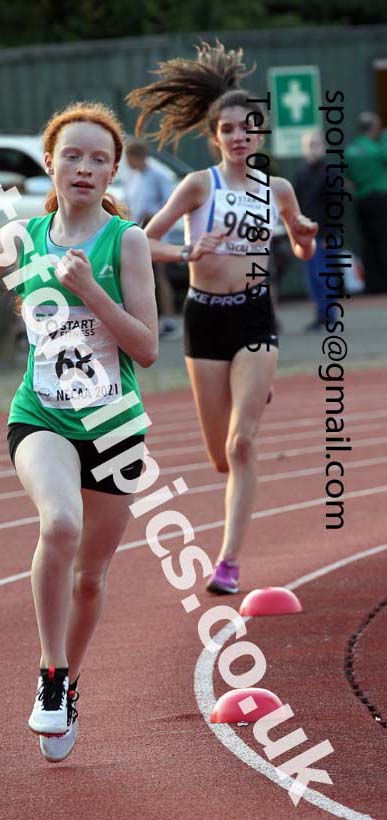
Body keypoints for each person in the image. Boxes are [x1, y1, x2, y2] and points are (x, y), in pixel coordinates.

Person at [0, 102, 158, 762]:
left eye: (98, 158)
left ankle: (69, 683)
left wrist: (91, 294)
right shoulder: (22, 237)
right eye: (72, 154)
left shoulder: (125, 241)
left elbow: (148, 348)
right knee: (61, 525)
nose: (84, 167)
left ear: (112, 172)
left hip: (114, 425)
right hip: (39, 415)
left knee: (91, 580)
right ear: (50, 161)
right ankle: (50, 675)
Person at [126, 41, 317, 594]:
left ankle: (228, 563)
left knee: (242, 445)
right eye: (228, 129)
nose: (239, 137)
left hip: (255, 318)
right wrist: (189, 253)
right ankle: (249, 395)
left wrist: (303, 239)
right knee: (219, 458)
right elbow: (143, 241)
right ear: (215, 136)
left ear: (261, 134)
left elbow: (302, 247)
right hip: (203, 320)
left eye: (249, 128)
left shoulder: (276, 190)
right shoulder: (197, 187)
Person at [123, 139, 179, 337]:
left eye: (130, 158)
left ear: (140, 157)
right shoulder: (131, 177)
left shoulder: (158, 176)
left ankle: (169, 319)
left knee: (159, 275)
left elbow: (170, 204)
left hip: (156, 234)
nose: (128, 163)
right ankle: (145, 320)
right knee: (139, 277)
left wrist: (152, 216)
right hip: (136, 233)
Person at [346, 112, 387, 294]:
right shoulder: (379, 148)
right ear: (374, 128)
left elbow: (347, 181)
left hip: (362, 201)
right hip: (382, 199)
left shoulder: (350, 150)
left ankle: (373, 284)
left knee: (368, 242)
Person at [293, 129, 330, 330]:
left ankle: (328, 316)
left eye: (315, 144)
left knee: (324, 275)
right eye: (308, 145)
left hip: (324, 235)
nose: (312, 148)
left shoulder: (331, 172)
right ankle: (320, 314)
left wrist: (328, 234)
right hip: (307, 237)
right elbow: (295, 205)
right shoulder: (301, 173)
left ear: (323, 146)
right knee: (312, 278)